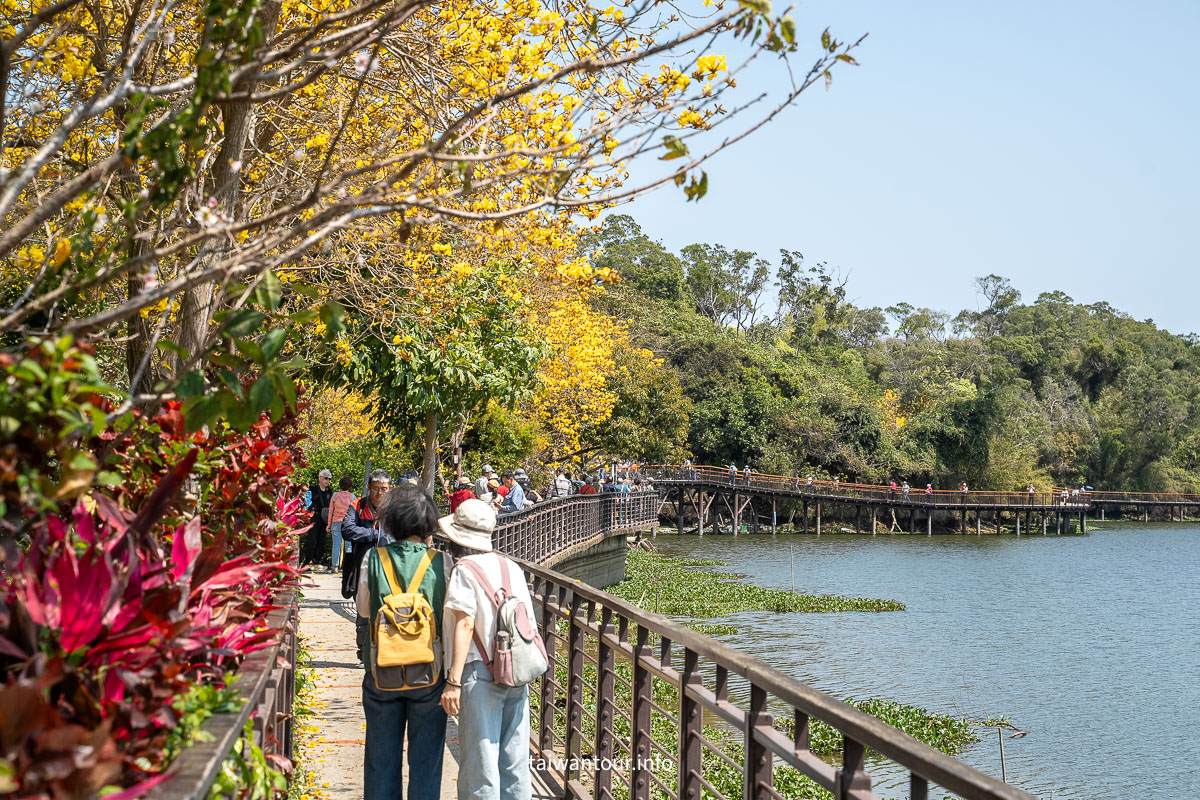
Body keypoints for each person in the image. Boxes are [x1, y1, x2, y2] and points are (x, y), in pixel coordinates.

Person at [438, 500, 538, 800]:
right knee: (515, 760)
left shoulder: (464, 570)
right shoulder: (511, 567)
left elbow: (465, 625)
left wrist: (453, 681)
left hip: (479, 674)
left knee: (480, 764)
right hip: (516, 670)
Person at [356, 483, 451, 800]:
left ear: (392, 520)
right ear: (428, 523)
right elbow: (448, 622)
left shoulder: (373, 558)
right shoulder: (442, 562)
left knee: (380, 761)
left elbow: (363, 609)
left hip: (382, 673)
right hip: (429, 675)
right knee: (426, 763)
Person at [342, 469, 393, 661]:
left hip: (390, 566)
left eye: (384, 489)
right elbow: (347, 529)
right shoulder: (357, 505)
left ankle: (384, 651)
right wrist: (375, 535)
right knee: (363, 611)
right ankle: (363, 651)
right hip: (361, 565)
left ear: (390, 489)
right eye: (376, 488)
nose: (380, 493)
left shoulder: (395, 507)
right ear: (369, 488)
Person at [303, 469, 334, 570]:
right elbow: (306, 503)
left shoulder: (329, 490)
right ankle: (308, 561)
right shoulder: (312, 489)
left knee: (322, 539)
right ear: (320, 478)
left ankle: (317, 560)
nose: (328, 481)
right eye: (326, 478)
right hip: (314, 515)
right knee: (311, 539)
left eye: (329, 479)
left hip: (324, 516)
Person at [329, 476, 356, 571]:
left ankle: (335, 566)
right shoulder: (353, 497)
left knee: (336, 545)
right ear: (350, 486)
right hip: (348, 523)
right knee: (349, 545)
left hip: (336, 522)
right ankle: (347, 566)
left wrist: (329, 525)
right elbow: (354, 513)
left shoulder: (335, 496)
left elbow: (331, 511)